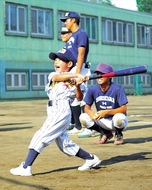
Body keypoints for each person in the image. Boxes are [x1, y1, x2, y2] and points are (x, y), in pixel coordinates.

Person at [10, 48, 101, 176]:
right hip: (52, 110)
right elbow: (58, 77)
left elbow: (79, 98)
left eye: (60, 60)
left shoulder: (78, 80)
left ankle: (26, 166)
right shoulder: (53, 75)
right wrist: (75, 75)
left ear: (69, 64)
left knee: (41, 136)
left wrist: (78, 85)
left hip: (62, 110)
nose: (56, 62)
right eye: (55, 60)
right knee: (64, 144)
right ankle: (91, 159)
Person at [60, 12, 94, 138]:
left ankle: (89, 127)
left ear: (73, 20)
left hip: (80, 69)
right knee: (74, 98)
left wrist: (77, 73)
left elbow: (81, 53)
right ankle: (78, 126)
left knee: (83, 98)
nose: (65, 22)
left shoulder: (81, 34)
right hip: (73, 68)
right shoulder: (72, 36)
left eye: (66, 20)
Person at [79, 63, 128, 145]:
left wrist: (106, 112)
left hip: (116, 121)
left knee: (119, 118)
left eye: (102, 74)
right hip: (102, 121)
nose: (99, 76)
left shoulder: (117, 88)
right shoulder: (92, 89)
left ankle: (118, 134)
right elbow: (86, 108)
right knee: (83, 117)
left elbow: (123, 109)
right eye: (98, 74)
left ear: (110, 76)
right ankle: (105, 133)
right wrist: (91, 114)